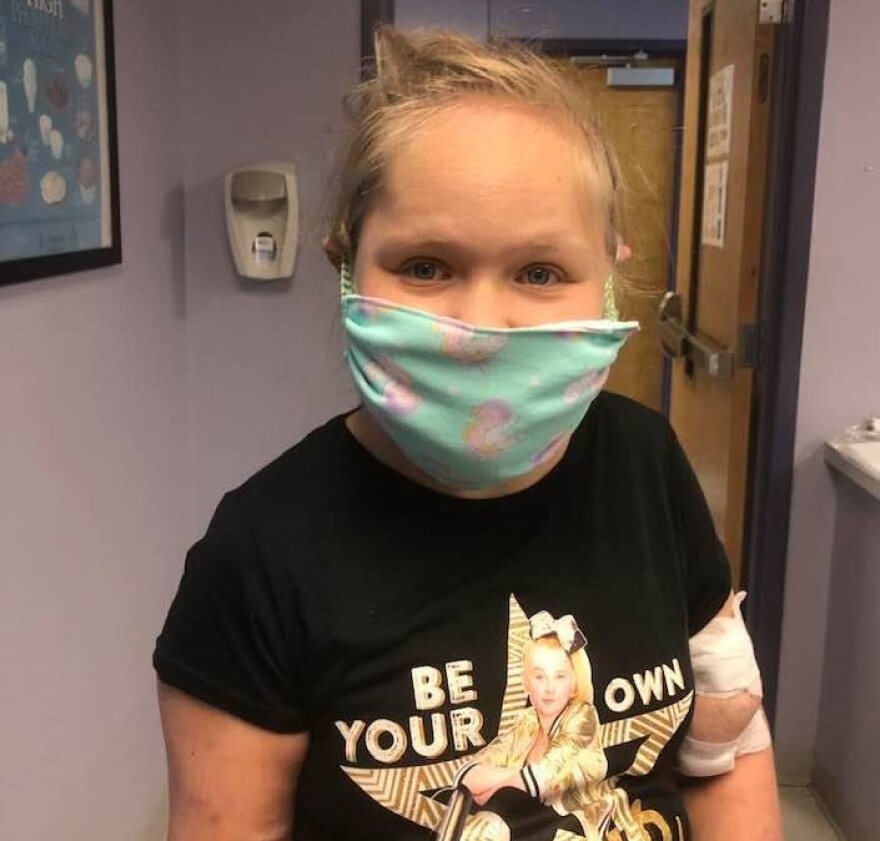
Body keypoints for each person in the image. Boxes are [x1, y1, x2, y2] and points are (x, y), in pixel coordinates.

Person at [154, 26, 782, 841]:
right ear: (345, 263)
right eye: (424, 265)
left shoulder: (647, 463)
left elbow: (725, 751)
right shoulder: (262, 552)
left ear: (608, 274)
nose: (482, 325)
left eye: (540, 272)